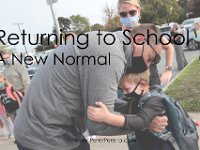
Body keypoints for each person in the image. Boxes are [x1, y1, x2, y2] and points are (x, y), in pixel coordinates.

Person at [14, 24, 168, 150]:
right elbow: (99, 125)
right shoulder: (112, 55)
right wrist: (145, 124)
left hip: (46, 129)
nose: (150, 65)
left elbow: (99, 105)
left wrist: (136, 109)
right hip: (43, 137)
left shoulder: (108, 42)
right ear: (139, 40)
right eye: (152, 58)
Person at [87, 69, 173, 150]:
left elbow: (141, 121)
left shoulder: (154, 100)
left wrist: (107, 117)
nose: (124, 93)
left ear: (142, 84)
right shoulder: (137, 96)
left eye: (127, 89)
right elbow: (129, 107)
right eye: (122, 89)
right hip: (143, 144)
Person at [117, 0, 174, 86]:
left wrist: (168, 69)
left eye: (132, 12)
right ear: (119, 15)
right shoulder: (116, 37)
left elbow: (169, 47)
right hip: (127, 88)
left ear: (138, 11)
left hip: (152, 85)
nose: (128, 17)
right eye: (123, 14)